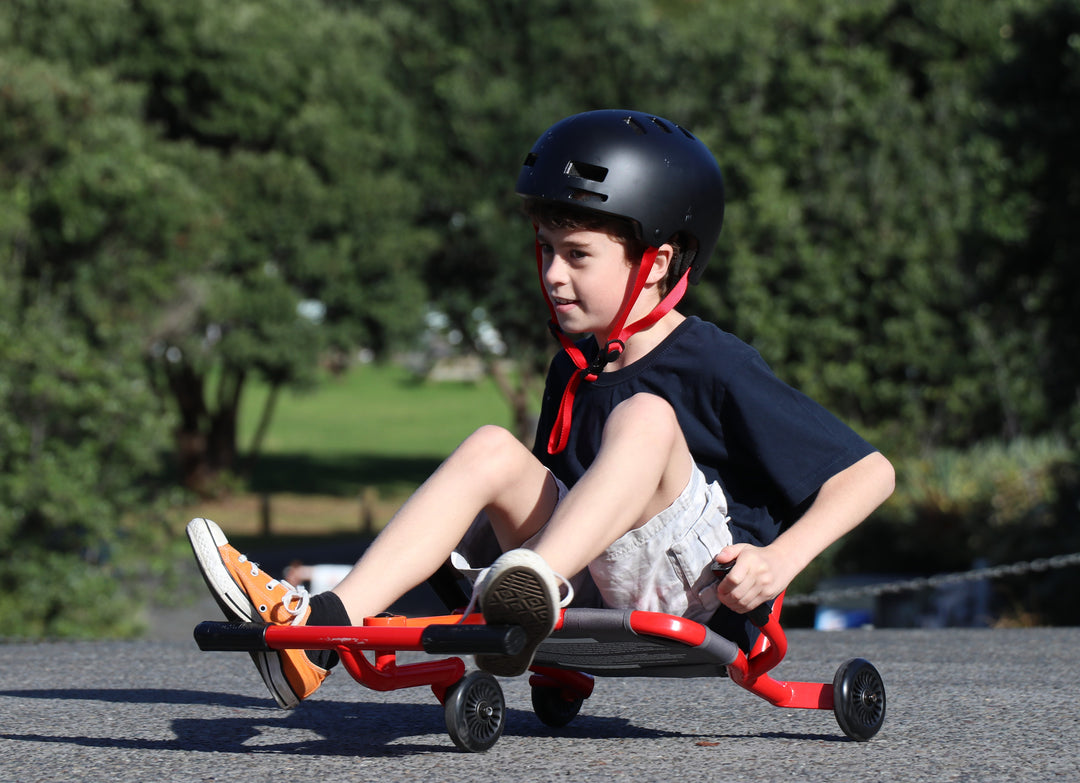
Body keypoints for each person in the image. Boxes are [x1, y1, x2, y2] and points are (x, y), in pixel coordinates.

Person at [187, 109, 895, 710]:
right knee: (493, 447)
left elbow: (870, 474)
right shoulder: (573, 367)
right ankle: (316, 633)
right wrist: (448, 569)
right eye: (547, 250)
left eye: (578, 255)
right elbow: (557, 492)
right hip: (589, 574)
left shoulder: (715, 362)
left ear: (657, 263)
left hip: (697, 589)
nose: (553, 274)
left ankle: (529, 587)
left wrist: (780, 561)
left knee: (645, 417)